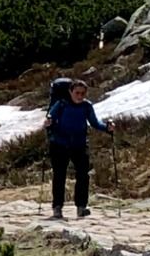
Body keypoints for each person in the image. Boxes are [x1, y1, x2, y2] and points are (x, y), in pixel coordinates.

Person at [45, 79, 113, 219]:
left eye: (82, 93)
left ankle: (81, 207)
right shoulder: (61, 104)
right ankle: (57, 207)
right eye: (77, 93)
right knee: (60, 176)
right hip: (59, 144)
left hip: (79, 145)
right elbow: (50, 117)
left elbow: (94, 122)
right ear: (70, 92)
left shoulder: (87, 106)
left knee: (83, 175)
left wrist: (107, 128)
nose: (80, 96)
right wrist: (49, 123)